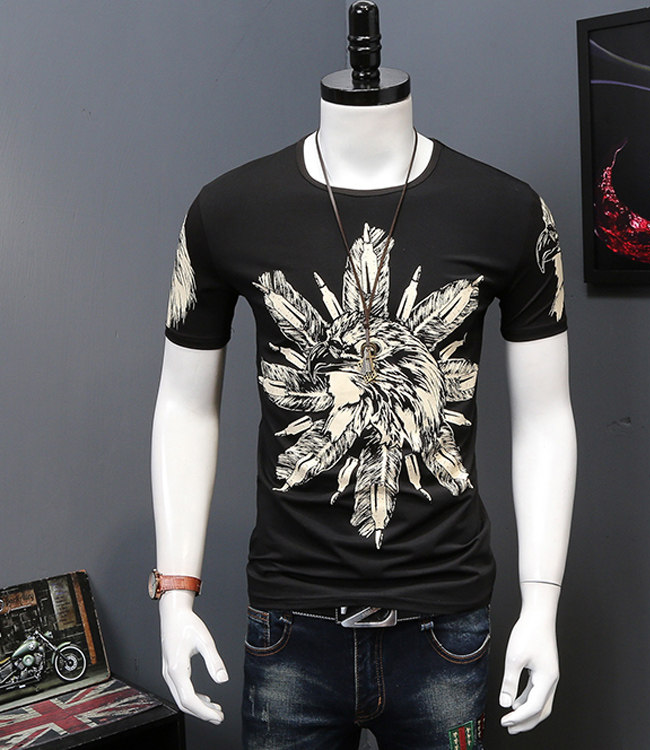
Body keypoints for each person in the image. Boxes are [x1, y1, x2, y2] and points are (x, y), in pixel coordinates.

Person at [151, 9, 575, 747]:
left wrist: (542, 608)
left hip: (446, 625)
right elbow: (185, 408)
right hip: (290, 626)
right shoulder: (226, 212)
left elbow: (546, 419)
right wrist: (174, 593)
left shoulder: (510, 214)